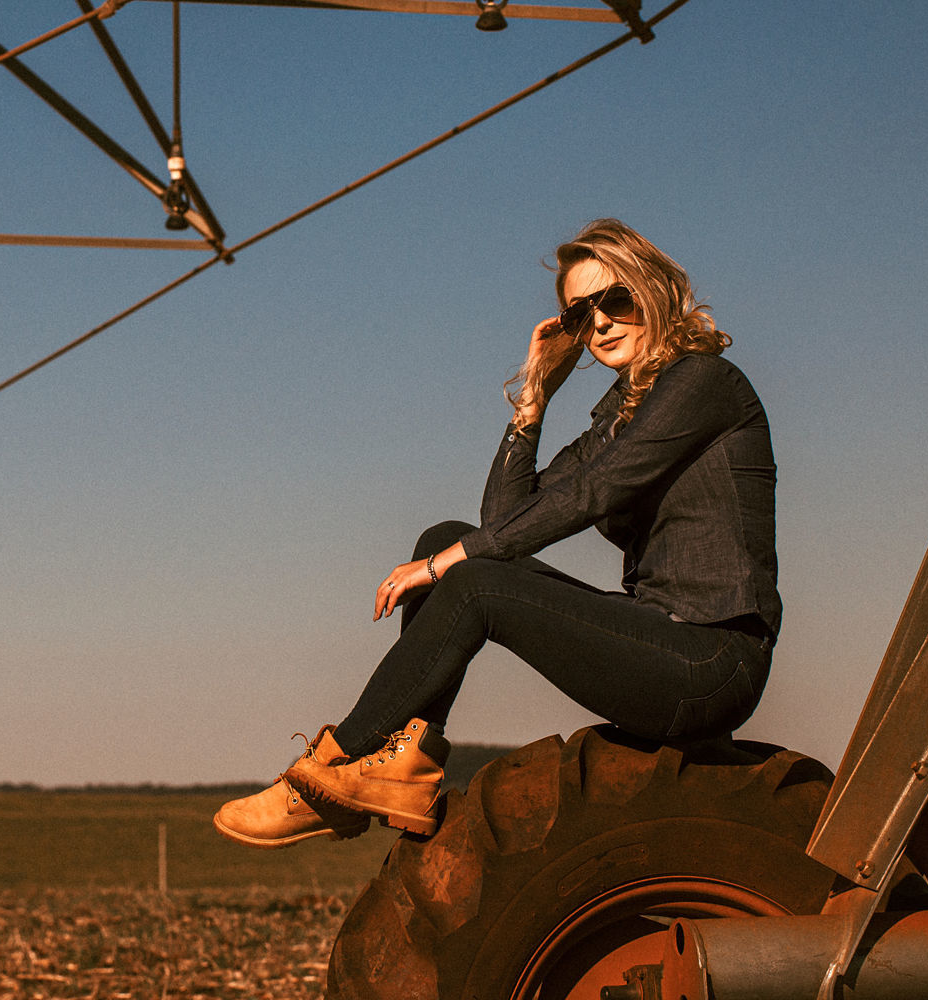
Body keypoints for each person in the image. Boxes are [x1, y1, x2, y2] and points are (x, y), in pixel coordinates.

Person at [214, 218, 779, 848]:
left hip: (712, 661)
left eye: (616, 299)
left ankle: (331, 765)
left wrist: (446, 566)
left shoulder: (704, 383)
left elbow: (593, 493)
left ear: (655, 291)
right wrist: (533, 399)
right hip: (655, 638)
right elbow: (503, 519)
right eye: (578, 315)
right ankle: (404, 763)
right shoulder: (617, 420)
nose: (599, 324)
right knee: (446, 537)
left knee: (469, 577)